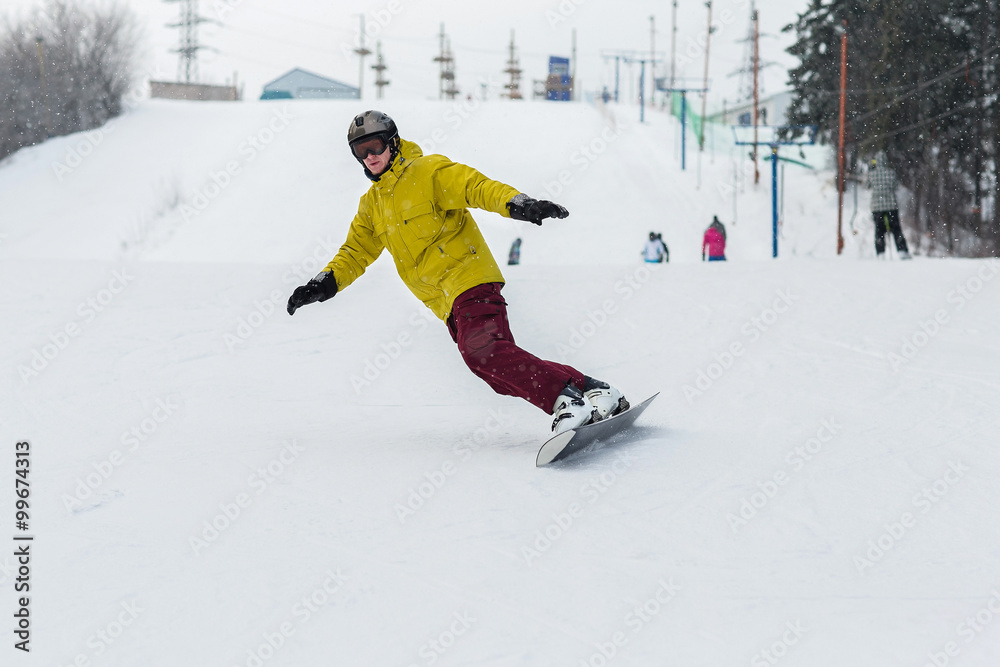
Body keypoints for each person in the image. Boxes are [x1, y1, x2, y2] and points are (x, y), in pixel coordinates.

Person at [286, 110, 628, 434]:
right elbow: (355, 252)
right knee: (494, 368)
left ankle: (564, 400)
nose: (369, 156)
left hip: (470, 279)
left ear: (392, 142)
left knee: (483, 352)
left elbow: (477, 187)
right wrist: (322, 284)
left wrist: (519, 204)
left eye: (374, 146)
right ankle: (595, 391)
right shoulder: (372, 205)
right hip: (446, 302)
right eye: (360, 151)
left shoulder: (427, 172)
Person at [865, 152, 911, 259]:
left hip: (877, 206)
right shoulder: (891, 173)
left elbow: (866, 185)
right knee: (896, 229)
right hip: (891, 205)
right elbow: (896, 186)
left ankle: (880, 253)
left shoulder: (872, 174)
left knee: (879, 230)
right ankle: (902, 251)